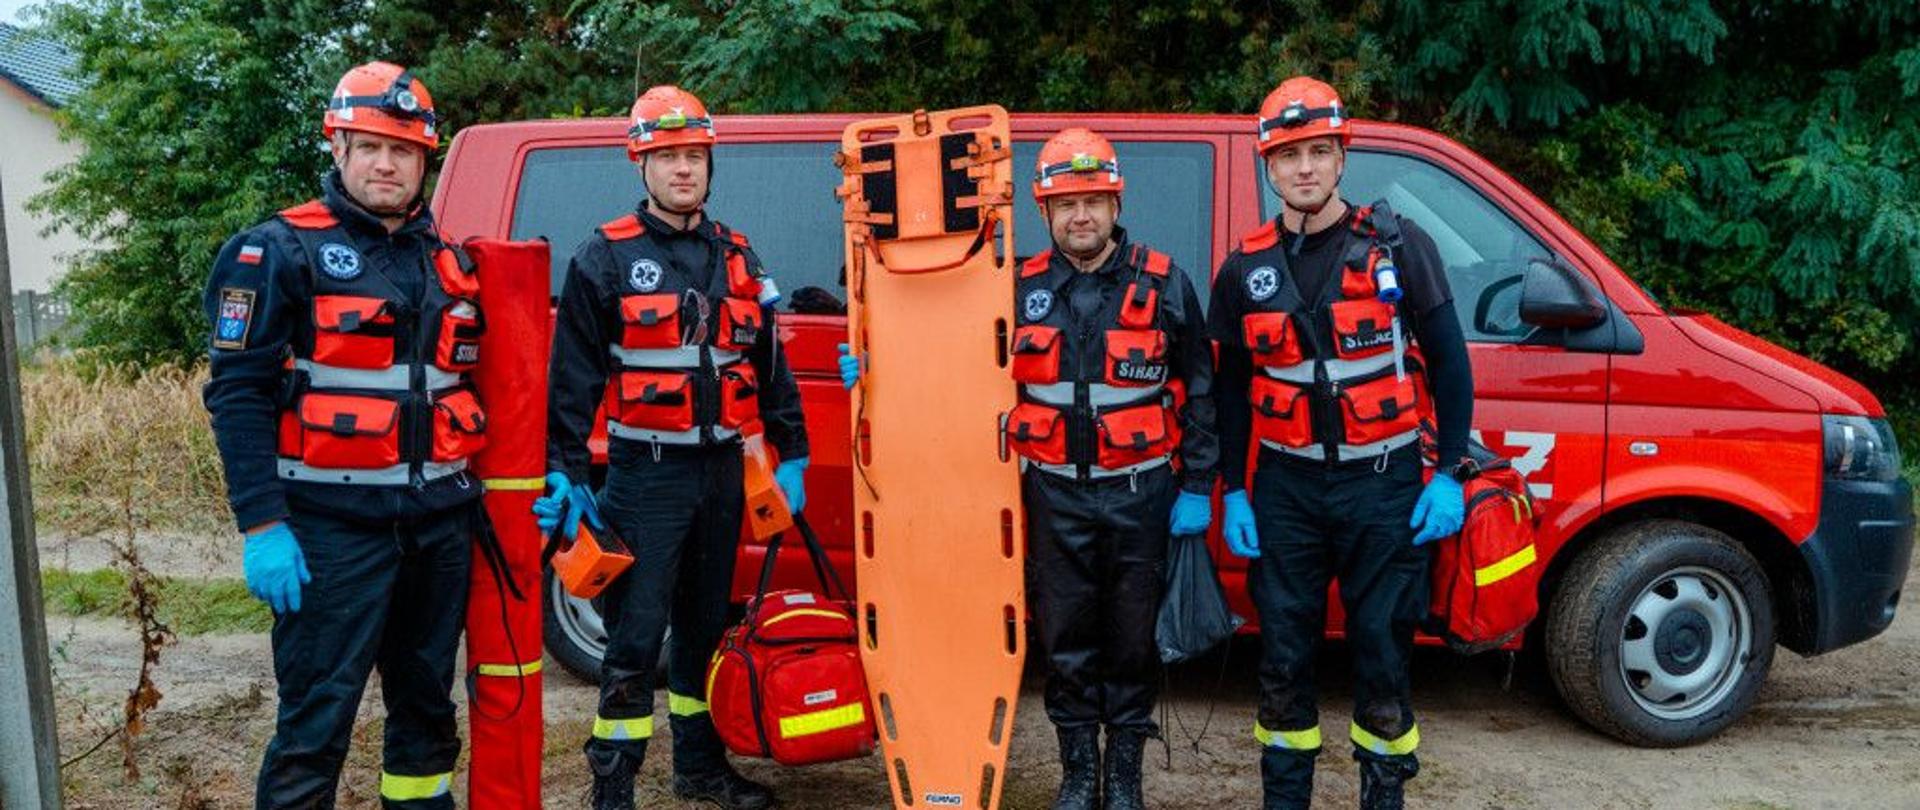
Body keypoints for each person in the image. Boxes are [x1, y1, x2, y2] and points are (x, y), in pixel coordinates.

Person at [838, 127, 1217, 810]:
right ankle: (1078, 774)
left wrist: (1197, 486)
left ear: (1114, 202)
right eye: (1067, 202)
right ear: (1043, 211)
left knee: (1132, 641)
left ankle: (1123, 777)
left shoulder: (1164, 283)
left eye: (1094, 200)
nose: (1081, 215)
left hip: (1140, 495)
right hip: (1051, 496)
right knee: (1066, 638)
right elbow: (946, 367)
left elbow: (1202, 390)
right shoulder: (1014, 288)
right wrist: (873, 364)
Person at [203, 62, 482, 808]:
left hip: (436, 529)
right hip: (330, 531)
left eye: (402, 149)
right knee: (315, 722)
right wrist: (262, 523)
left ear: (426, 158)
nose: (385, 163)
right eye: (368, 146)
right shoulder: (274, 252)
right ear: (338, 150)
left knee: (428, 713)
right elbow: (236, 394)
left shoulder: (450, 262)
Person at [537, 84, 809, 810]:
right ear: (640, 163)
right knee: (634, 637)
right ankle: (614, 785)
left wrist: (797, 452)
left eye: (694, 155)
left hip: (724, 470)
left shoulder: (739, 255)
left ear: (709, 163)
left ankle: (699, 768)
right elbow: (572, 381)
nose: (683, 169)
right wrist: (563, 473)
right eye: (667, 156)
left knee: (702, 629)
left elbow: (771, 367)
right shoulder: (606, 256)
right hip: (645, 476)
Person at [1208, 76, 1475, 810]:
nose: (1304, 168)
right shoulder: (1243, 270)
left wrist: (1448, 472)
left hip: (1382, 485)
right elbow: (1231, 391)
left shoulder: (1397, 245)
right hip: (1287, 490)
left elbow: (1451, 363)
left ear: (1341, 157)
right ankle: (1284, 799)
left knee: (1384, 650)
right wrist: (1234, 488)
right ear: (1268, 166)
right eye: (1289, 155)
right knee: (1284, 655)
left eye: (1319, 152)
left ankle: (1382, 797)